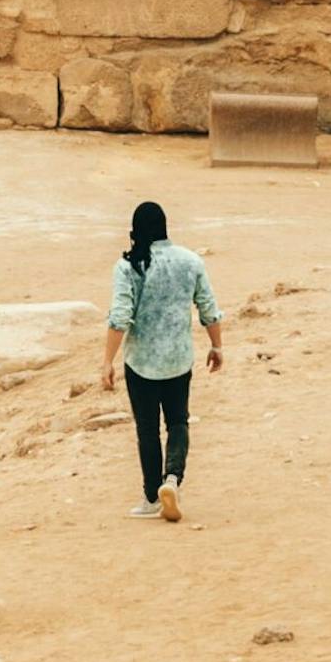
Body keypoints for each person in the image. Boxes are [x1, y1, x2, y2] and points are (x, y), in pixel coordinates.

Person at [101, 201, 222, 523]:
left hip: (141, 361)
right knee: (178, 421)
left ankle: (152, 496)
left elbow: (120, 317)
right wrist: (217, 346)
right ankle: (173, 478)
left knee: (147, 429)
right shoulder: (190, 260)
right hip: (179, 358)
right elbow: (208, 307)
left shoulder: (128, 266)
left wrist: (107, 362)